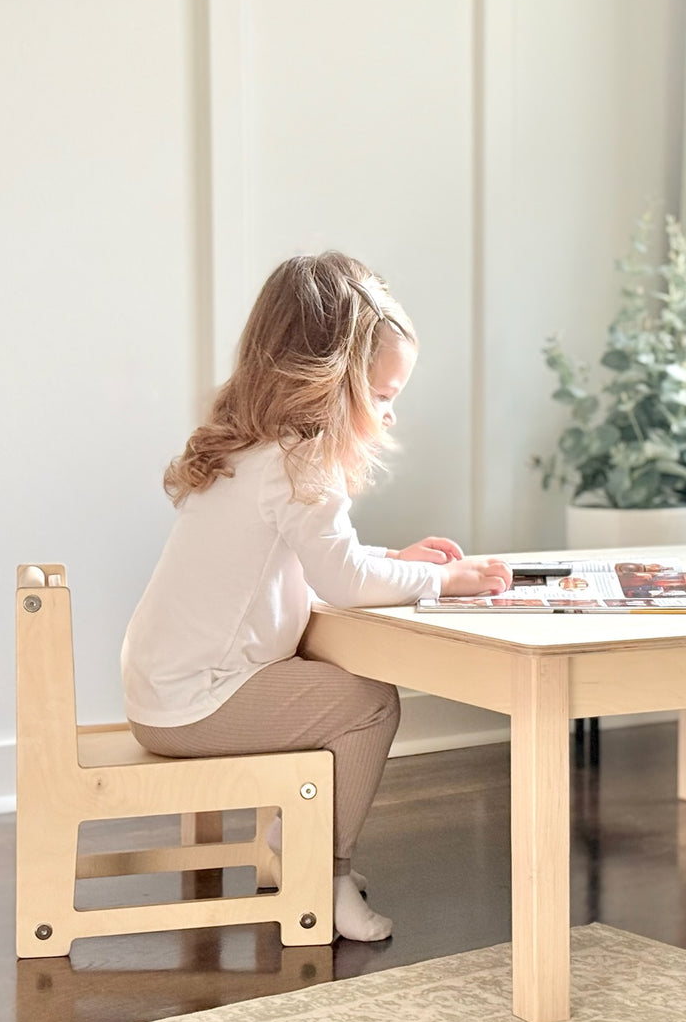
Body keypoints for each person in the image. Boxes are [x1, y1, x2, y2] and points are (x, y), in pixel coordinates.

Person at [121, 251, 511, 941]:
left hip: (165, 687)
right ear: (329, 381)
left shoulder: (251, 450)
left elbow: (304, 561)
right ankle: (321, 873)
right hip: (197, 699)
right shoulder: (303, 464)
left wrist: (392, 559)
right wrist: (442, 579)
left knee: (331, 691)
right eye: (383, 397)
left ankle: (293, 855)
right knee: (363, 706)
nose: (389, 416)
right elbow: (340, 581)